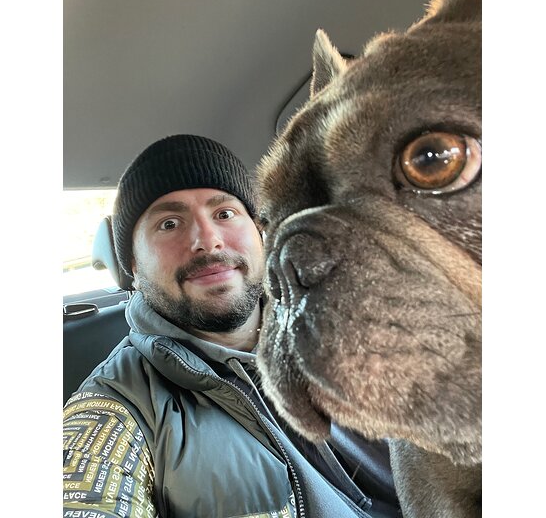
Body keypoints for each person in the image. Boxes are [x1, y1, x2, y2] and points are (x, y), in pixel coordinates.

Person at [63, 134, 399, 517]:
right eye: (170, 223)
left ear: (260, 232)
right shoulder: (117, 406)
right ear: (134, 267)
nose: (208, 241)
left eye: (224, 214)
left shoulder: (350, 322)